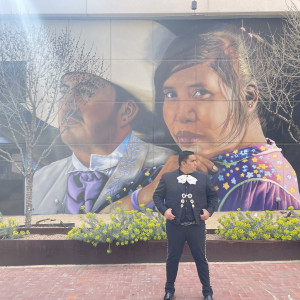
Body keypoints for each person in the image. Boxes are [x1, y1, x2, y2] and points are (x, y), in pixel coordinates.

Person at [151, 27, 300, 211]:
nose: (181, 116)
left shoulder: (259, 186)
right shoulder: (193, 166)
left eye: (200, 93)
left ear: (248, 97)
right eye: (171, 94)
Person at [32, 71, 174, 214]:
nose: (66, 102)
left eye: (85, 91)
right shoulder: (40, 179)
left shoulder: (166, 166)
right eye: (64, 91)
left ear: (127, 111)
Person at [153, 150, 217, 300]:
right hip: (175, 226)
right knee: (172, 258)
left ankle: (207, 292)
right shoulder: (167, 178)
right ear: (183, 163)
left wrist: (209, 212)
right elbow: (157, 196)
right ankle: (169, 290)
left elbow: (213, 196)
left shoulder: (203, 178)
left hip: (196, 226)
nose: (196, 163)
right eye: (193, 161)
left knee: (201, 258)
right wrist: (164, 211)